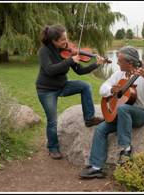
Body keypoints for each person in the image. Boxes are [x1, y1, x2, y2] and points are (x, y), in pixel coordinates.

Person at [79, 46, 144, 179]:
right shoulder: (119, 74)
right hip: (122, 115)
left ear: (129, 63)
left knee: (123, 108)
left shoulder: (143, 76)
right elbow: (103, 88)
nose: (117, 63)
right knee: (101, 129)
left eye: (119, 61)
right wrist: (112, 90)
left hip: (142, 114)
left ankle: (126, 149)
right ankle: (96, 167)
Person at [36, 24, 105, 159]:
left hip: (62, 85)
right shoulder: (44, 51)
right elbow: (50, 70)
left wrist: (96, 64)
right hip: (46, 90)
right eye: (62, 40)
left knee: (85, 86)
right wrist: (69, 60)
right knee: (52, 121)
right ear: (54, 41)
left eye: (66, 38)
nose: (66, 42)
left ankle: (89, 118)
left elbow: (80, 71)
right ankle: (53, 147)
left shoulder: (68, 51)